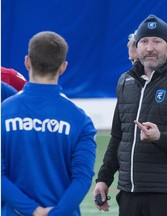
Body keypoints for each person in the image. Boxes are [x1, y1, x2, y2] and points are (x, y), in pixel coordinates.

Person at [93, 14, 167, 216]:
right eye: (144, 41)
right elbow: (118, 136)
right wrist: (104, 179)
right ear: (137, 46)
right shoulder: (126, 81)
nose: (150, 47)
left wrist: (160, 138)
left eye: (157, 41)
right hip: (129, 193)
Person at [1, 31, 97, 216]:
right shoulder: (80, 119)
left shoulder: (4, 112)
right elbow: (82, 178)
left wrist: (33, 210)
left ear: (27, 62)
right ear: (63, 67)